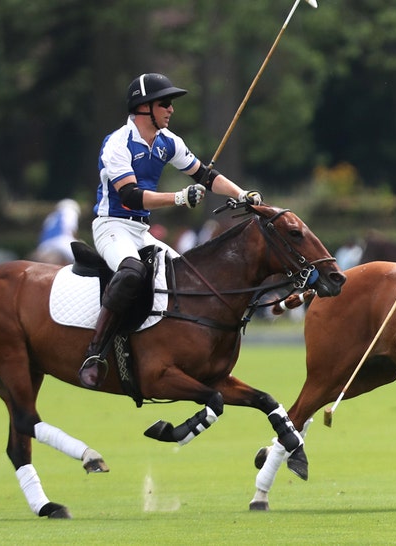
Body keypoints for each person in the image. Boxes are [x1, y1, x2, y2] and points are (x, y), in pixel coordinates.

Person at [79, 72, 262, 389]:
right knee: (132, 272)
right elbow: (131, 195)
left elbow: (205, 175)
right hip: (112, 225)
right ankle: (95, 353)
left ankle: (172, 352)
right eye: (165, 103)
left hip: (141, 230)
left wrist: (241, 194)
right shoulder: (117, 144)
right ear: (143, 107)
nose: (171, 109)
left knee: (188, 276)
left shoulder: (168, 142)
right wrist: (178, 198)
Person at [34, 198, 81, 265]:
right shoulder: (70, 211)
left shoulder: (50, 216)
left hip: (44, 245)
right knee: (82, 260)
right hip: (61, 242)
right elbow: (71, 230)